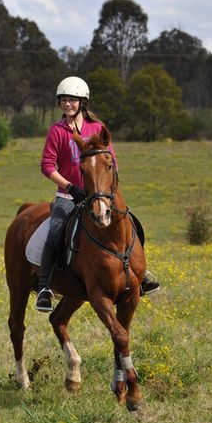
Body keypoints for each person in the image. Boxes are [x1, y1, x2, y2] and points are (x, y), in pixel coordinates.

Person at [35, 76, 159, 312]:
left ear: (83, 102)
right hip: (69, 196)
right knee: (55, 232)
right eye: (63, 100)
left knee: (132, 225)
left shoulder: (97, 128)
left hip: (101, 195)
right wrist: (70, 187)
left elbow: (111, 159)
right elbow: (47, 166)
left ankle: (139, 276)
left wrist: (107, 190)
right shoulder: (57, 131)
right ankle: (44, 288)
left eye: (72, 100)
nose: (67, 104)